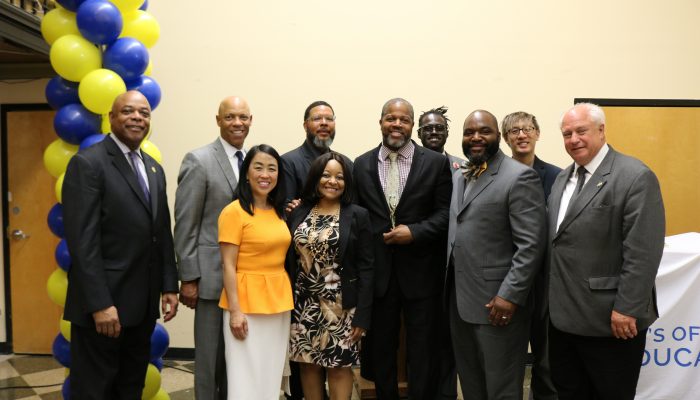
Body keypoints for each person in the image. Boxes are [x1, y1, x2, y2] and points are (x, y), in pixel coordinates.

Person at [62, 90, 179, 399]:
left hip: (141, 307)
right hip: (103, 309)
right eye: (128, 111)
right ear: (111, 117)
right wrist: (100, 304)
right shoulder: (88, 164)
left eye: (144, 113)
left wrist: (169, 285)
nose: (137, 118)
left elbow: (161, 232)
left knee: (130, 388)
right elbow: (82, 242)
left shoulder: (153, 168)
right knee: (95, 390)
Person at [547, 103, 665, 400]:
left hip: (611, 321)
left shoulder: (634, 176)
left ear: (601, 130)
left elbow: (643, 251)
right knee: (569, 392)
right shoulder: (563, 179)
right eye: (566, 134)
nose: (573, 139)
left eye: (581, 131)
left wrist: (628, 307)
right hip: (563, 320)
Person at [354, 98, 452, 399]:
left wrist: (416, 232)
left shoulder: (436, 163)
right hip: (379, 275)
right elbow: (357, 216)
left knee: (422, 347)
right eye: (390, 118)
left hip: (422, 272)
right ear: (381, 121)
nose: (396, 124)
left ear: (413, 125)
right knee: (382, 347)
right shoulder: (361, 164)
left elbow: (446, 214)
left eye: (404, 119)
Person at [447, 110, 546, 400]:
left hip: (497, 305)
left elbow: (531, 245)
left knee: (501, 389)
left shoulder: (520, 177)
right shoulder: (460, 176)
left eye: (484, 131)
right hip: (460, 302)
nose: (475, 137)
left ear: (498, 137)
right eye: (469, 132)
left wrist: (510, 295)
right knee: (472, 385)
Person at [174, 96, 252, 400]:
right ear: (218, 120)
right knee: (209, 360)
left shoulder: (254, 161)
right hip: (209, 279)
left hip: (246, 278)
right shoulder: (199, 159)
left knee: (235, 360)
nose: (237, 123)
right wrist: (189, 277)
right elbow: (185, 223)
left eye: (243, 117)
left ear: (250, 120)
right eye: (230, 117)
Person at [287, 152, 374, 400]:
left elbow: (367, 268)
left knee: (338, 367)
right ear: (315, 178)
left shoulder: (357, 215)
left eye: (339, 177)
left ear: (347, 182)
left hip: (341, 306)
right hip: (303, 304)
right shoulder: (299, 211)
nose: (332, 181)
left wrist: (363, 317)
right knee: (308, 365)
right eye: (326, 175)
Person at [218, 144, 293, 400]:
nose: (265, 174)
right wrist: (235, 312)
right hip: (245, 304)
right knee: (244, 375)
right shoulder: (233, 212)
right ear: (246, 173)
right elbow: (228, 265)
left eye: (272, 169)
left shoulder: (279, 211)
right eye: (258, 167)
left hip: (278, 302)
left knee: (270, 372)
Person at [501, 111, 560, 400]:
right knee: (507, 359)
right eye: (514, 131)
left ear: (538, 134)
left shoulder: (559, 178)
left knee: (547, 359)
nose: (521, 135)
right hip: (508, 281)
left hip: (548, 282)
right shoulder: (495, 176)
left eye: (527, 129)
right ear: (505, 138)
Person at [282, 101, 353, 205]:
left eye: (329, 119)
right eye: (317, 118)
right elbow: (285, 208)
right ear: (305, 126)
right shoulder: (288, 162)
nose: (324, 123)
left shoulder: (346, 163)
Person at [417, 105, 465, 173]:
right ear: (419, 134)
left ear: (447, 133)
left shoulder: (463, 167)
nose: (434, 132)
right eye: (428, 128)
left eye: (439, 128)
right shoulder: (409, 165)